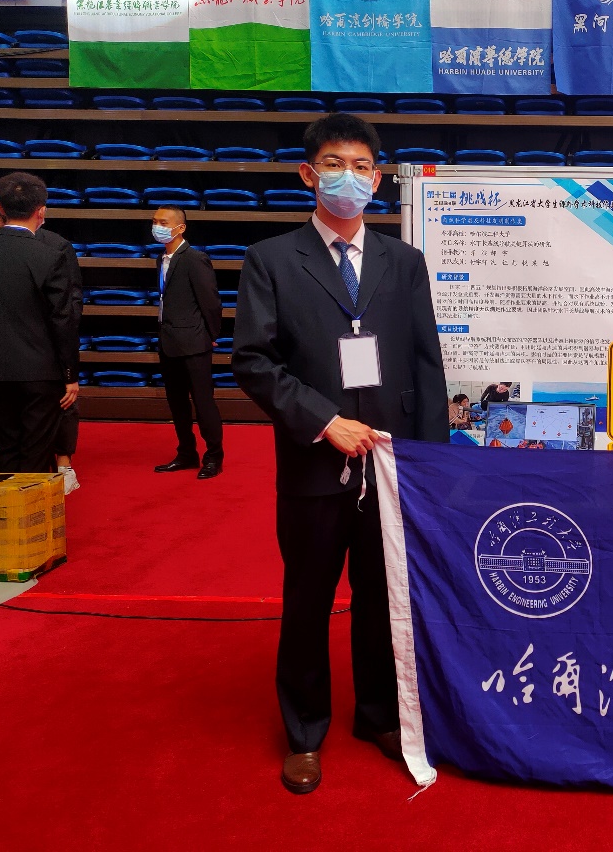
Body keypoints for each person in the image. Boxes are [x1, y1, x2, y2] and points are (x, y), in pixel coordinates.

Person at [232, 113, 448, 795]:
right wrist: (325, 421)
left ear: (377, 180)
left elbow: (427, 364)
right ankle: (304, 731)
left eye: (360, 167)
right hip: (314, 465)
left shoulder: (403, 262)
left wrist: (430, 465)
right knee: (308, 600)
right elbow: (253, 362)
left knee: (383, 599)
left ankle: (378, 715)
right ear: (308, 173)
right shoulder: (271, 259)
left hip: (389, 464)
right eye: (334, 164)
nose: (347, 178)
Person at [0, 173, 79, 473]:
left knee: (7, 444)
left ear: (0, 208)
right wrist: (70, 374)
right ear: (41, 211)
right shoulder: (50, 255)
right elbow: (62, 319)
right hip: (41, 370)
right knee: (36, 450)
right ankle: (29, 503)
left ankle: (4, 502)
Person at [151, 206, 224, 479]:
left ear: (180, 228)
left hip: (194, 343)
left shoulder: (195, 259)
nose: (157, 227)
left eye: (163, 222)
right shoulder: (161, 259)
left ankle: (213, 456)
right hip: (168, 342)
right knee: (177, 404)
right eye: (155, 222)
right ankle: (186, 453)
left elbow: (210, 301)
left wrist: (212, 335)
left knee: (203, 404)